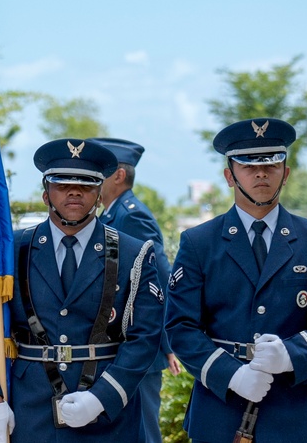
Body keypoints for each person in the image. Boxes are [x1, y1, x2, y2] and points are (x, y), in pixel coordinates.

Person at [0, 138, 165, 442]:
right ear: (46, 194)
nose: (74, 192)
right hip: (29, 411)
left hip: (109, 414)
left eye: (86, 185)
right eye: (62, 185)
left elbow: (145, 338)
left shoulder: (133, 253)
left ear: (100, 194)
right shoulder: (11, 251)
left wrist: (102, 397)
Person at [165, 118, 307, 443]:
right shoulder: (199, 243)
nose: (261, 173)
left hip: (297, 414)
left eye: (272, 164)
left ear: (286, 172)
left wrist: (293, 354)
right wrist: (232, 375)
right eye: (248, 165)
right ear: (229, 175)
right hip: (220, 411)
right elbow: (180, 327)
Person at [90, 137, 180, 443]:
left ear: (118, 175)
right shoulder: (112, 214)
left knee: (143, 432)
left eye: (101, 172)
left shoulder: (132, 216)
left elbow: (160, 278)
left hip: (140, 346)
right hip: (118, 345)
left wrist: (166, 343)